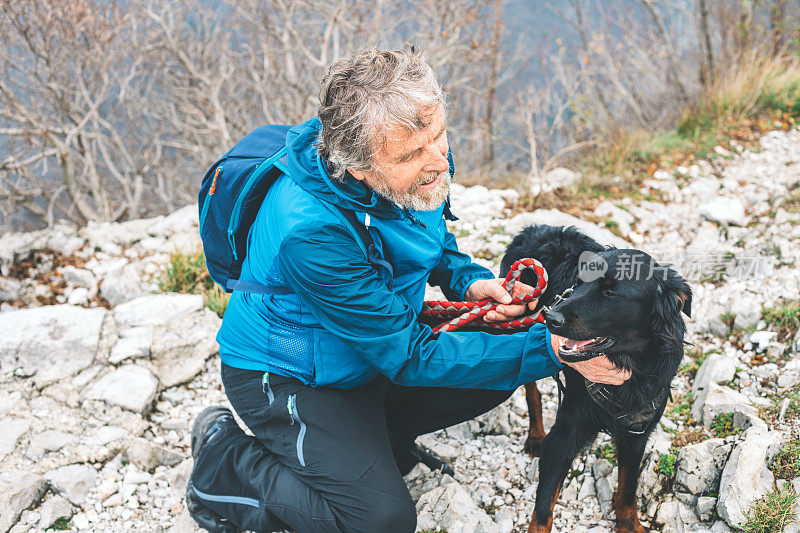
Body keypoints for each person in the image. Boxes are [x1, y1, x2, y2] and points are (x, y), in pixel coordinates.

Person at [186, 48, 631, 533]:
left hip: (366, 346)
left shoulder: (413, 147)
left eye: (440, 136)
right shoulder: (310, 233)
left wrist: (471, 281)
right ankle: (221, 459)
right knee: (381, 520)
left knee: (497, 362)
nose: (439, 161)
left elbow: (431, 237)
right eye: (413, 154)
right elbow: (408, 356)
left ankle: (379, 438)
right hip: (292, 375)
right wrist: (555, 350)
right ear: (357, 168)